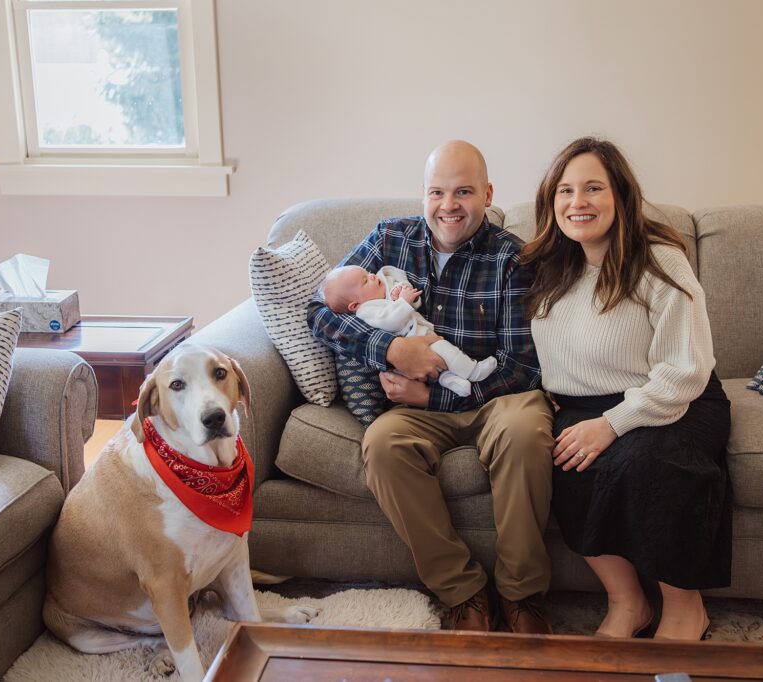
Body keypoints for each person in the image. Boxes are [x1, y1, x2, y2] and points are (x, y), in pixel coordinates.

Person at [308, 140, 555, 634]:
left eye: (464, 191)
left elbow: (522, 366)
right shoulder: (389, 239)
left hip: (498, 397)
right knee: (382, 445)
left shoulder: (513, 258)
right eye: (437, 192)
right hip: (414, 407)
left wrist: (432, 395)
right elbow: (320, 312)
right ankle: (464, 592)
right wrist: (392, 351)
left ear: (487, 194)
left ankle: (521, 596)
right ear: (422, 194)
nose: (449, 205)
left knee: (527, 434)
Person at [521, 137, 732, 641]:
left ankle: (685, 610)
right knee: (564, 460)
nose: (578, 202)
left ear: (620, 194)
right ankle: (628, 602)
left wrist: (613, 424)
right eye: (566, 191)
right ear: (552, 202)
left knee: (650, 465)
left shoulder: (659, 260)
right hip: (581, 405)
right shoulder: (548, 265)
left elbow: (685, 370)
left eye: (594, 188)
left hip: (674, 397)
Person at [320, 264, 498, 397]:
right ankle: (473, 371)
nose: (373, 275)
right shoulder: (365, 311)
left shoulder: (379, 297)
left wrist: (399, 294)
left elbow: (406, 301)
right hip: (416, 345)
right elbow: (390, 321)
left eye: (368, 273)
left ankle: (452, 382)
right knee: (448, 351)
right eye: (365, 280)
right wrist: (403, 302)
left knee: (441, 370)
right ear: (355, 305)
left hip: (417, 348)